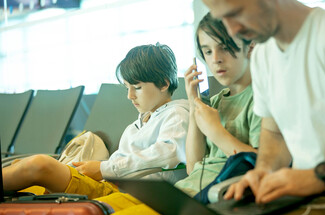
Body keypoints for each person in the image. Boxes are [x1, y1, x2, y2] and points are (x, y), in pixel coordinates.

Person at [170, 0, 325, 215]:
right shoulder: (263, 55)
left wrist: (316, 177)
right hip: (296, 192)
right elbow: (274, 133)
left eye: (236, 14)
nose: (232, 30)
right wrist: (262, 172)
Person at [98, 12, 261, 215]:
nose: (216, 59)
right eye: (207, 51)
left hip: (212, 197)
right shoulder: (214, 103)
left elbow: (263, 165)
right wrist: (195, 107)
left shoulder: (261, 100)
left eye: (225, 47)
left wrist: (217, 131)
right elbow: (194, 167)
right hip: (184, 193)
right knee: (92, 214)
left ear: (250, 46)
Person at [3, 43, 189, 199]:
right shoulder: (137, 126)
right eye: (126, 88)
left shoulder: (176, 114)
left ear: (164, 84)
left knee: (40, 165)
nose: (130, 96)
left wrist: (104, 168)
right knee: (26, 174)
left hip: (125, 194)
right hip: (109, 184)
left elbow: (169, 153)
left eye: (137, 88)